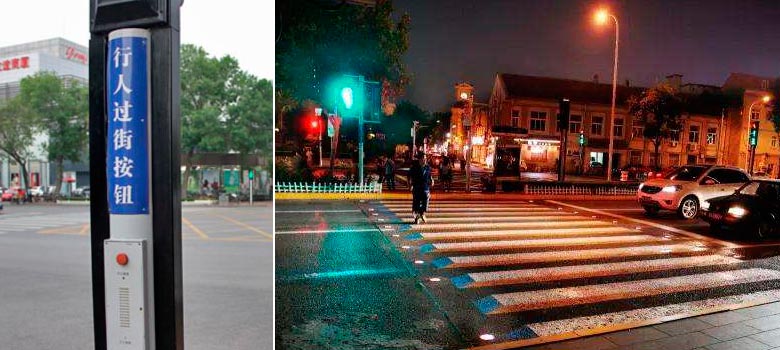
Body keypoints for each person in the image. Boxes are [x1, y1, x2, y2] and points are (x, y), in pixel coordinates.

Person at [408, 152, 433, 224]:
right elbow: (409, 176)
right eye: (423, 159)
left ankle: (422, 213)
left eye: (425, 159)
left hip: (425, 187)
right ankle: (417, 216)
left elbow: (429, 175)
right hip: (416, 187)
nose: (425, 160)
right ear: (419, 159)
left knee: (426, 200)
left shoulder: (427, 167)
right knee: (416, 202)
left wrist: (432, 180)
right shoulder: (414, 167)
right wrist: (410, 185)